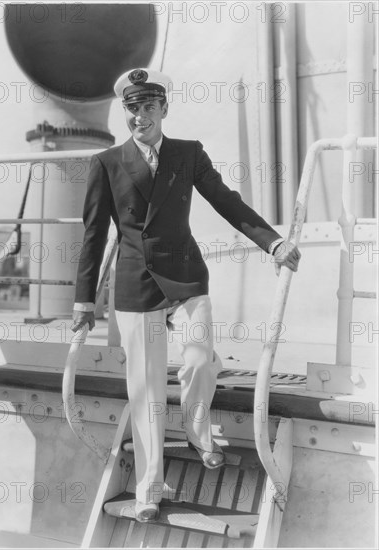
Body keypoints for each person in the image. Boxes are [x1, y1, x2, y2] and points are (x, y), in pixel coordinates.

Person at [72, 68, 301, 522]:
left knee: (198, 358)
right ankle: (149, 489)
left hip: (186, 278)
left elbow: (227, 200)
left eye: (149, 106)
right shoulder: (107, 163)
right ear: (127, 112)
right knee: (147, 390)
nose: (141, 116)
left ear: (164, 109)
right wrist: (83, 301)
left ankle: (199, 433)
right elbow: (93, 235)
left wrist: (272, 242)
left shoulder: (187, 154)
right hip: (137, 286)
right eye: (133, 108)